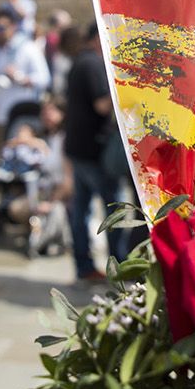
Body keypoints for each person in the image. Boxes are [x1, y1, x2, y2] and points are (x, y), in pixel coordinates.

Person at [63, 25, 132, 282]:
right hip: (93, 151)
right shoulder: (92, 64)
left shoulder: (79, 61)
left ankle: (84, 266)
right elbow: (102, 105)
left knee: (81, 212)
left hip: (78, 148)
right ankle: (119, 267)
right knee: (114, 211)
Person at [0, 6, 51, 166]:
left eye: (2, 28)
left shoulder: (28, 49)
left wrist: (20, 77)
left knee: (18, 158)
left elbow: (44, 79)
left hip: (19, 114)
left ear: (13, 26)